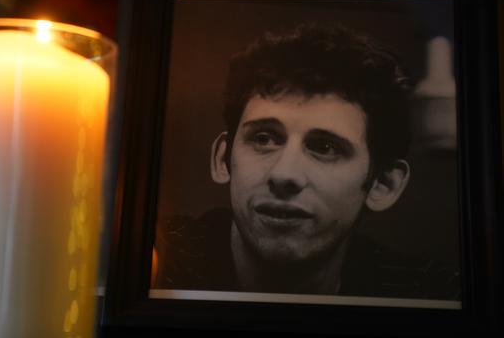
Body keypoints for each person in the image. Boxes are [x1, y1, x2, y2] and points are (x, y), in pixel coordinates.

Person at [153, 23, 460, 299]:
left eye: (325, 147)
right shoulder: (154, 263)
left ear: (383, 184)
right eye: (264, 139)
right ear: (223, 159)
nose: (284, 174)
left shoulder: (432, 295)